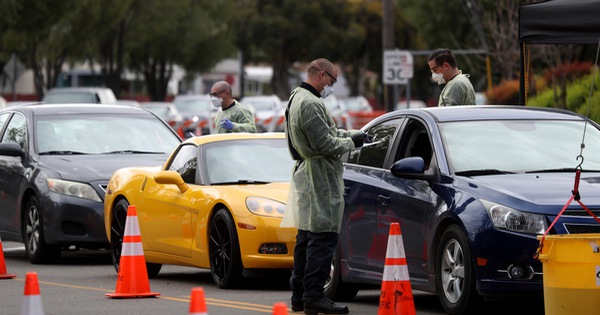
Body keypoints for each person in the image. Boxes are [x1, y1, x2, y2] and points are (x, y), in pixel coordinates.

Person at [281, 58, 367, 314]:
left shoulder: (296, 97)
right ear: (321, 74)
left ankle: (299, 294)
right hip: (320, 178)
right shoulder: (311, 103)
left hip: (308, 174)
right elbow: (324, 144)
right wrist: (354, 143)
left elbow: (326, 134)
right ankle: (314, 296)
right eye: (332, 79)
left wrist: (353, 134)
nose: (332, 85)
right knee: (323, 238)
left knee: (306, 237)